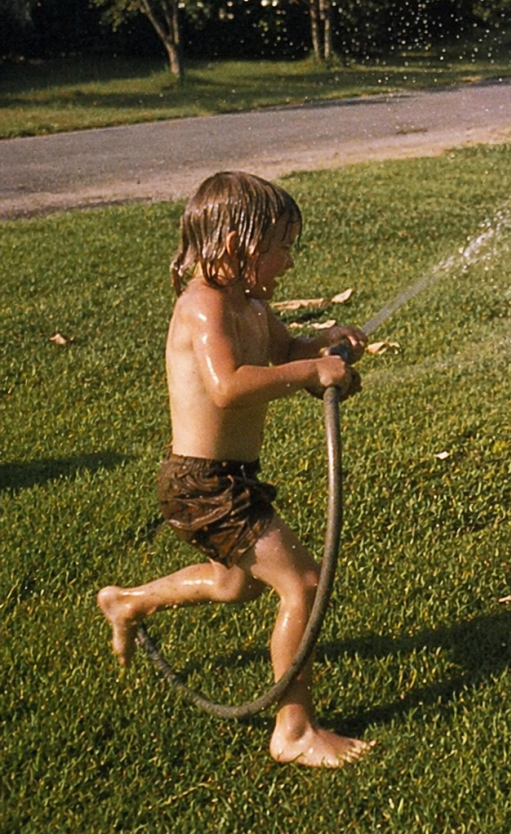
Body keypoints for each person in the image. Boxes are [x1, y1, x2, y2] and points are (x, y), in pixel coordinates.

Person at [98, 171, 374, 768]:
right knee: (301, 581)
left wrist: (322, 347)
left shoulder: (251, 303)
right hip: (201, 484)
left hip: (231, 478)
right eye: (281, 247)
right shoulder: (202, 308)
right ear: (237, 245)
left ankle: (127, 602)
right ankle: (294, 732)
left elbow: (285, 354)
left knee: (235, 583)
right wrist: (308, 374)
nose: (289, 261)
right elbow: (228, 388)